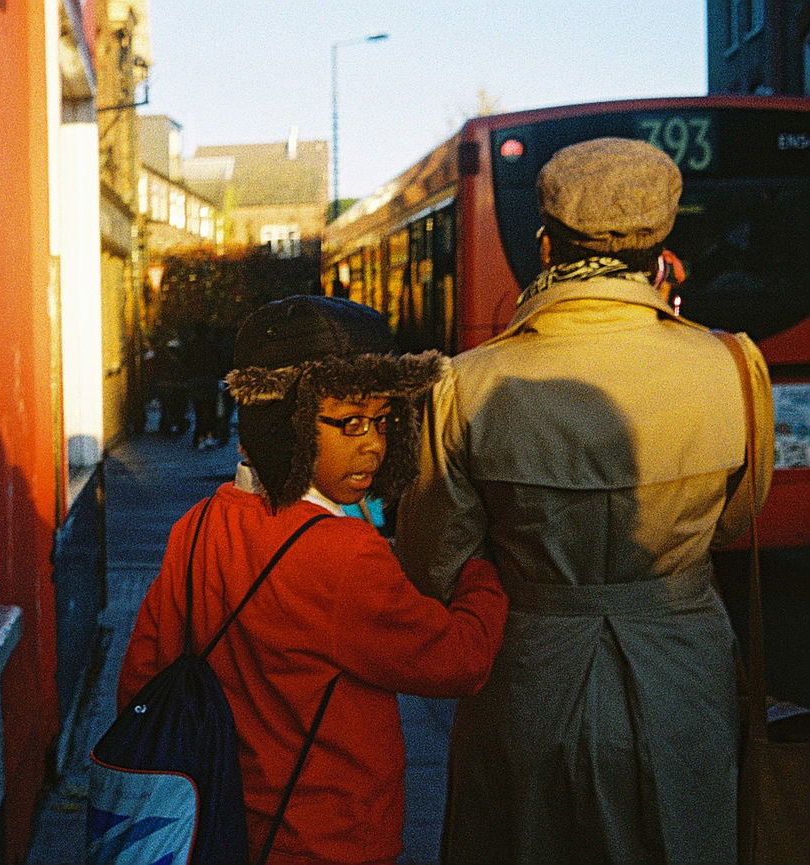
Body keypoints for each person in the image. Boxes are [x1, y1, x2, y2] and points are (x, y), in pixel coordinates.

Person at [394, 137, 775, 864]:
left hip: (526, 683)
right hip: (684, 681)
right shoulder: (733, 365)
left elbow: (432, 562)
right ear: (661, 249)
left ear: (545, 247)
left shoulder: (467, 382)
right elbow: (735, 521)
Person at [118, 296, 508, 865]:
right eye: (351, 422)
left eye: (383, 420)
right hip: (331, 840)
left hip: (222, 830)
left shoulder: (197, 529)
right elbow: (458, 659)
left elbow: (140, 681)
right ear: (286, 424)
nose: (374, 442)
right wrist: (481, 574)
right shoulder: (345, 554)